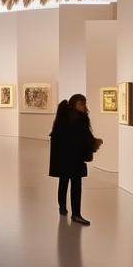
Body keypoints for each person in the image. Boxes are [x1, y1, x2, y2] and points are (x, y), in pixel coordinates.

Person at [49, 93, 102, 226]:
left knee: (65, 182)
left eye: (84, 103)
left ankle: (64, 208)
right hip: (73, 158)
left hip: (67, 158)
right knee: (75, 185)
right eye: (81, 104)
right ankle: (75, 214)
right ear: (74, 104)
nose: (84, 106)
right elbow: (82, 138)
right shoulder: (78, 119)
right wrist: (93, 142)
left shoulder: (64, 118)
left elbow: (60, 137)